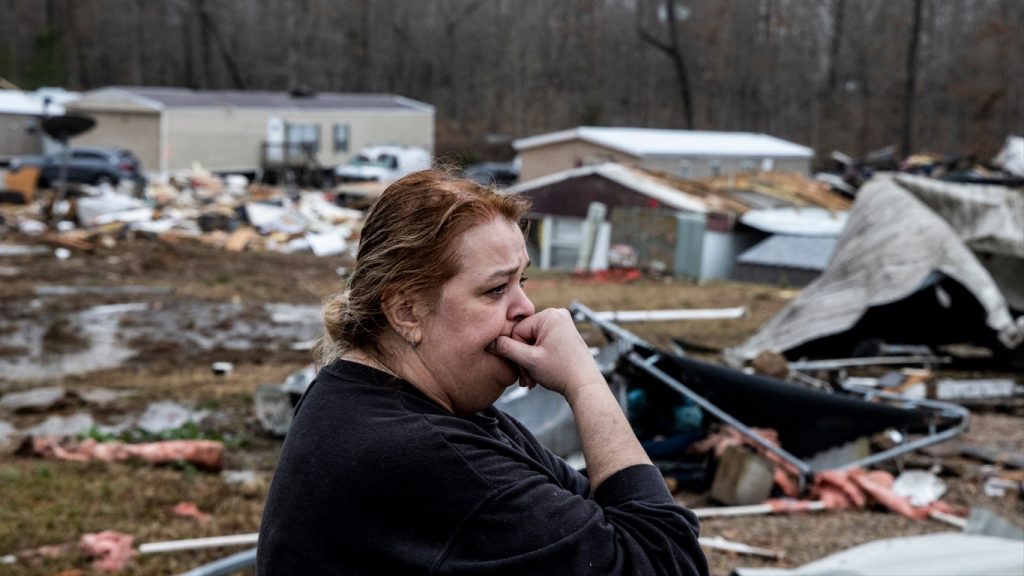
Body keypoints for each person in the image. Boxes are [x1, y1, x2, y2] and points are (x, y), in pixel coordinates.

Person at [256, 169, 708, 575]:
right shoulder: (431, 455)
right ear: (406, 311)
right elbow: (670, 562)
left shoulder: (370, 395)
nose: (526, 308)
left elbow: (594, 510)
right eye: (496, 289)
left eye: (521, 282)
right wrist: (586, 384)